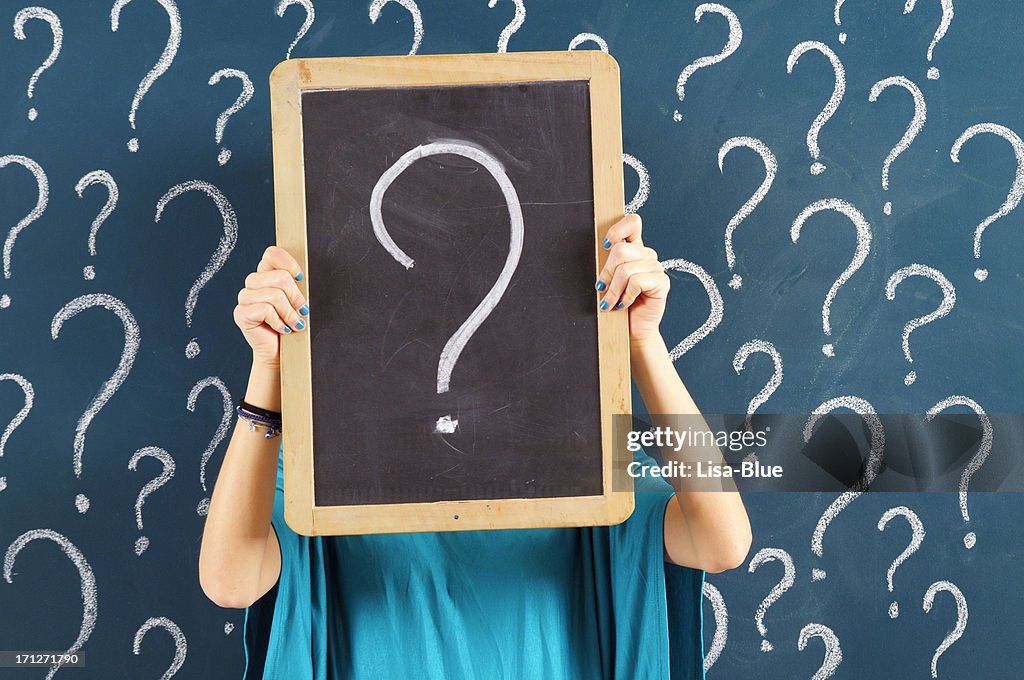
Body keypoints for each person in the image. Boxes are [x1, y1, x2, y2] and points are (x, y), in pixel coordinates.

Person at [199, 214, 752, 679]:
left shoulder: (579, 445)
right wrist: (269, 368)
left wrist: (642, 343)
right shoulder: (329, 458)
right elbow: (229, 582)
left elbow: (721, 541)